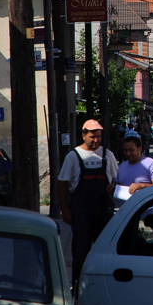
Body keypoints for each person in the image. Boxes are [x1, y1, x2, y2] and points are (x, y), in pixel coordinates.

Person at [57, 120, 118, 292]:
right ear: (83, 135)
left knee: (103, 253)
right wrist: (64, 210)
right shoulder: (73, 157)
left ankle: (103, 289)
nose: (96, 140)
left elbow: (116, 180)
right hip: (81, 212)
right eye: (92, 137)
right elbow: (61, 184)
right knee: (81, 252)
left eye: (98, 137)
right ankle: (77, 289)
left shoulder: (108, 155)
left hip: (103, 213)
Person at [112, 131, 153, 206]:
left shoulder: (151, 164)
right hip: (127, 213)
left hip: (147, 212)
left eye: (131, 150)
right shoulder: (122, 166)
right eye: (125, 151)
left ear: (139, 148)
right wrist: (113, 189)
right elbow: (118, 186)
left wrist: (141, 186)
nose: (128, 154)